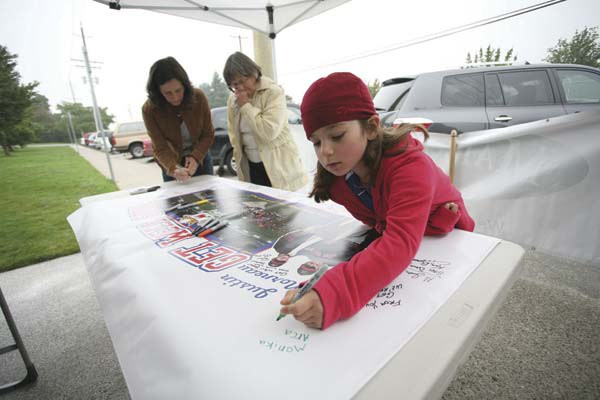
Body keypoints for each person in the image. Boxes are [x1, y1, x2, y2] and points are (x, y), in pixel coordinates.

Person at [279, 72, 475, 330]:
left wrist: (334, 293)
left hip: (452, 245)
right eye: (316, 142)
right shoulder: (339, 180)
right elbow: (382, 224)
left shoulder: (410, 167)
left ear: (371, 127)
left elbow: (398, 243)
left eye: (337, 135)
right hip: (410, 247)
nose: (325, 152)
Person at [223, 52, 308, 191]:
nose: (240, 88)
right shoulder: (233, 99)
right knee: (259, 209)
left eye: (243, 81)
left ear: (253, 74)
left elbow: (269, 131)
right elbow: (233, 133)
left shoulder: (273, 92)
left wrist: (245, 106)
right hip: (251, 167)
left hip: (279, 167)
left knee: (284, 210)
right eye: (235, 85)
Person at [142, 57, 214, 183]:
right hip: (171, 164)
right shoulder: (149, 110)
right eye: (168, 93)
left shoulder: (199, 98)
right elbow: (160, 147)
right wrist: (173, 168)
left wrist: (196, 157)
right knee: (177, 202)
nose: (175, 97)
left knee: (209, 200)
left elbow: (208, 134)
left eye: (178, 90)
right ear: (158, 92)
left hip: (201, 160)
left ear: (185, 85)